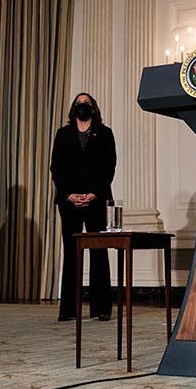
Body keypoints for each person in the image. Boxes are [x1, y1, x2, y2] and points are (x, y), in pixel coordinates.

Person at [50, 93, 116, 322]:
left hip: (96, 199)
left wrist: (93, 193)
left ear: (93, 108)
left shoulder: (105, 133)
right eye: (79, 104)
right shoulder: (63, 134)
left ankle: (102, 309)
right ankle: (69, 310)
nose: (82, 106)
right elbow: (55, 168)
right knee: (71, 252)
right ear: (73, 109)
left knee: (99, 251)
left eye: (86, 103)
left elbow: (109, 167)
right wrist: (69, 195)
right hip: (69, 202)